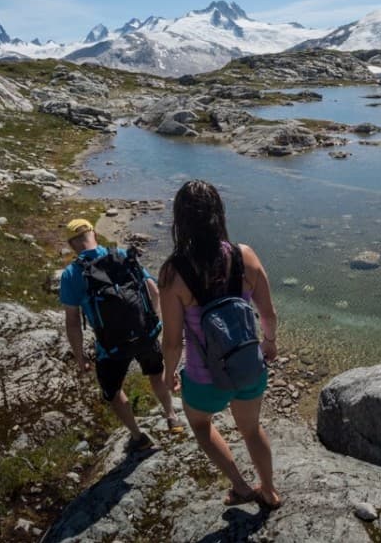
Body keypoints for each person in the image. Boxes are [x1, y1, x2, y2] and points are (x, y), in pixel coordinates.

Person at [158, 180, 282, 509]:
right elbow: (268, 313)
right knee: (251, 429)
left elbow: (172, 341)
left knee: (200, 425)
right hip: (248, 366)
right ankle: (268, 491)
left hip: (203, 377)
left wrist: (169, 374)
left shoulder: (173, 273)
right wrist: (269, 343)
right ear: (218, 214)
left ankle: (240, 486)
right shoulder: (245, 256)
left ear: (179, 221)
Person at [59, 217, 182, 448]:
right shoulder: (123, 255)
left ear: (71, 244)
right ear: (93, 233)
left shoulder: (72, 274)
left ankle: (138, 436)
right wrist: (154, 324)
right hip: (145, 335)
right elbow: (154, 291)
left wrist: (80, 356)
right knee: (156, 374)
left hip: (111, 347)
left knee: (113, 391)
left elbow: (73, 321)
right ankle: (172, 416)